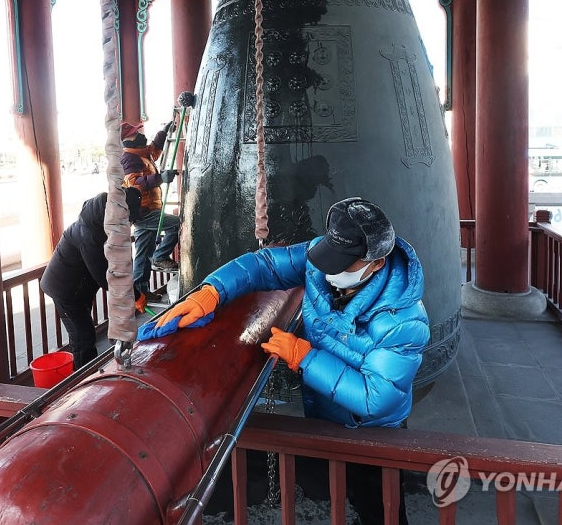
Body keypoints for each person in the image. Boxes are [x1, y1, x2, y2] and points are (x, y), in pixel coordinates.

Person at [143, 197, 429, 524]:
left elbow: (376, 398)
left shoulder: (404, 321)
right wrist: (213, 292)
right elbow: (266, 265)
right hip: (323, 413)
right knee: (336, 492)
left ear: (375, 262)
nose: (328, 269)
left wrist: (303, 357)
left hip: (373, 433)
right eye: (329, 256)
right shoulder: (324, 259)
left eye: (343, 263)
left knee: (381, 507)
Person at [40, 190, 145, 369]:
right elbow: (106, 277)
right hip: (65, 290)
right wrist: (135, 295)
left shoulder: (103, 223)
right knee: (83, 337)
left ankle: (87, 374)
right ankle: (83, 383)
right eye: (128, 219)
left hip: (80, 289)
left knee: (84, 333)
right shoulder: (89, 234)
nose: (129, 224)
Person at [121, 120, 181, 300]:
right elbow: (134, 183)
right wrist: (160, 178)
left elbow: (154, 148)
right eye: (136, 133)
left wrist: (163, 131)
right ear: (127, 139)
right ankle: (161, 256)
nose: (140, 134)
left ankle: (141, 293)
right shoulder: (129, 158)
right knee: (178, 224)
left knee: (142, 256)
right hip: (144, 211)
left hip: (146, 210)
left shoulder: (142, 153)